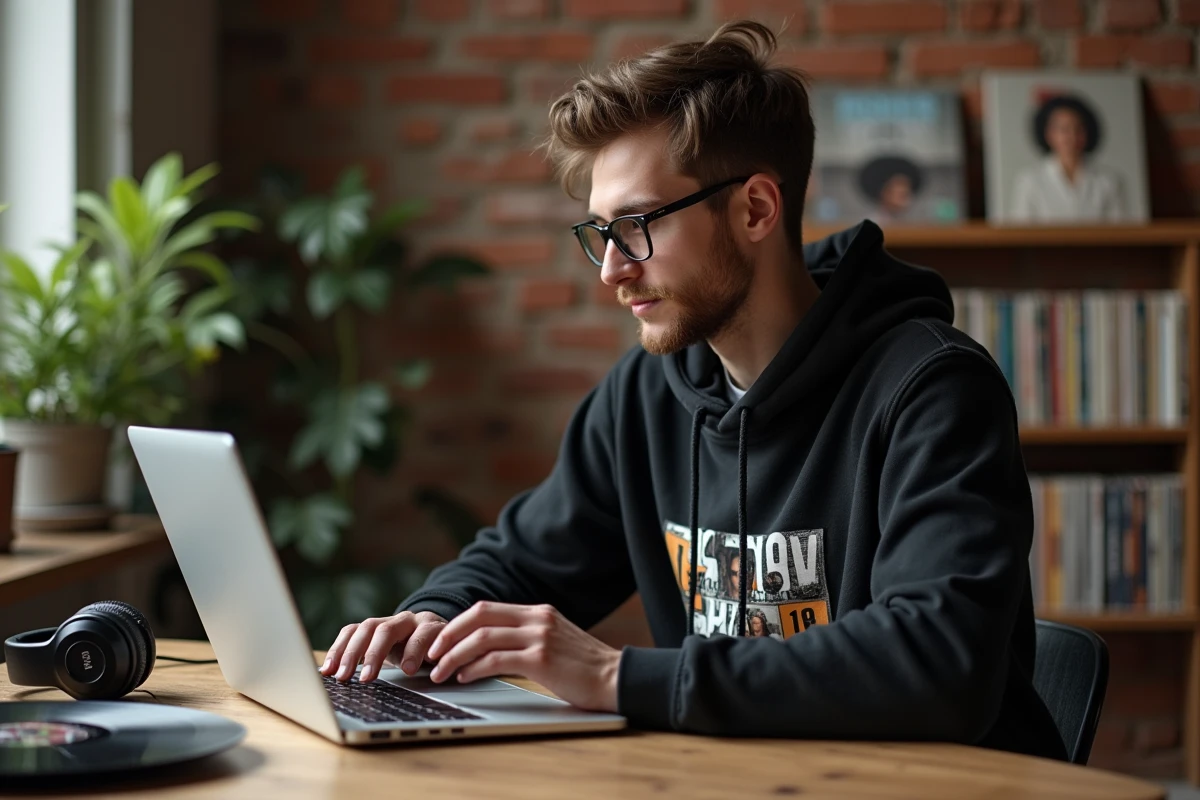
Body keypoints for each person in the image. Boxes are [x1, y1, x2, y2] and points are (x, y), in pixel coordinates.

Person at [320, 20, 1067, 760]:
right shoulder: (646, 394)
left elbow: (938, 664)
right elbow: (521, 562)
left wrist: (615, 675)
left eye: (639, 224)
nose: (612, 268)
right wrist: (425, 621)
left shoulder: (932, 389)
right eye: (600, 233)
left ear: (755, 210)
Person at [1009, 93, 1127, 222]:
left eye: (1078, 129)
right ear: (1048, 134)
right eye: (1064, 129)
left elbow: (1118, 230)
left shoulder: (1109, 181)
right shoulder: (1029, 180)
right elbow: (1021, 231)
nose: (1072, 136)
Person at [857, 154, 924, 222]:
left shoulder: (914, 222)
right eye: (901, 194)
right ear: (885, 193)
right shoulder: (870, 224)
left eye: (907, 193)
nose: (906, 199)